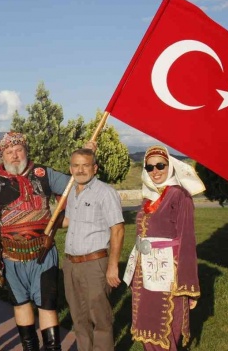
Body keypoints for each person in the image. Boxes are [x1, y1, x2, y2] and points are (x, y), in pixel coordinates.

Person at [0, 132, 95, 351]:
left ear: (26, 151)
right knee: (21, 305)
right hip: (10, 258)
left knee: (47, 307)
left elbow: (75, 184)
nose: (14, 156)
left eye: (18, 150)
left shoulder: (43, 174)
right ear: (2, 155)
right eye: (9, 152)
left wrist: (87, 156)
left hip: (43, 254)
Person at [123, 146, 203, 351]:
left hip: (168, 272)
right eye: (149, 167)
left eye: (160, 165)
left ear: (171, 166)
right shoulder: (148, 197)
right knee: (146, 323)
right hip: (144, 270)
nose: (155, 171)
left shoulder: (180, 196)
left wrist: (187, 282)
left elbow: (187, 239)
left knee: (165, 327)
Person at [61, 149, 124, 351]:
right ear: (70, 168)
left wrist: (113, 266)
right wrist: (41, 217)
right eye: (76, 165)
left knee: (100, 320)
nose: (80, 170)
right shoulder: (72, 192)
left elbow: (118, 229)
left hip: (94, 264)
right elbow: (68, 221)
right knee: (78, 319)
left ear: (94, 168)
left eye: (85, 165)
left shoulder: (105, 193)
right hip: (71, 264)